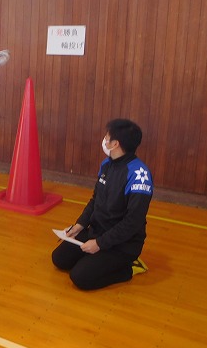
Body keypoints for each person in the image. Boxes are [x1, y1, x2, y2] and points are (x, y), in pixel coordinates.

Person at [52, 118, 153, 290]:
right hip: (97, 231)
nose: (104, 140)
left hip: (122, 244)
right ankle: (97, 259)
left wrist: (99, 244)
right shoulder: (106, 165)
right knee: (59, 259)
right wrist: (80, 225)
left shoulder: (139, 175)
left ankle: (128, 268)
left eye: (107, 137)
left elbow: (132, 223)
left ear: (115, 144)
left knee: (80, 278)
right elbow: (95, 200)